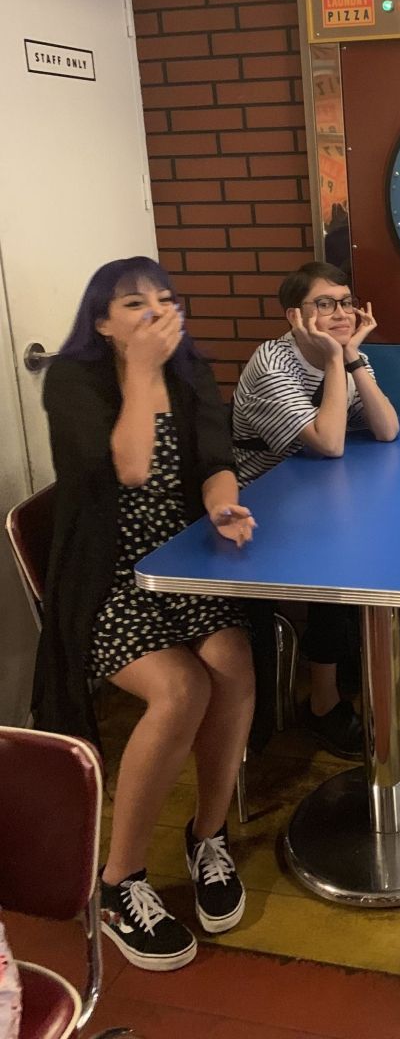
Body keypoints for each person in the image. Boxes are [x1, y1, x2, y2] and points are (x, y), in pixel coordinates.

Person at [34, 256, 256, 972]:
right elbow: (127, 468)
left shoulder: (192, 371)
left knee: (232, 663)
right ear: (101, 323)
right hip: (109, 584)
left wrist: (222, 504)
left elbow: (216, 458)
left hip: (186, 565)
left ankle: (207, 836)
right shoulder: (74, 382)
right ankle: (118, 879)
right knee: (180, 689)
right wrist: (139, 372)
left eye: (165, 300)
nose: (156, 314)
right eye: (135, 305)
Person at [231, 261, 399, 758]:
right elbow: (329, 443)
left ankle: (344, 673)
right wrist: (335, 360)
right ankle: (323, 702)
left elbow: (386, 428)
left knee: (359, 540)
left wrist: (353, 357)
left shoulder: (341, 355)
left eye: (345, 301)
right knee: (339, 556)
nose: (341, 312)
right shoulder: (273, 365)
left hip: (313, 491)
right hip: (258, 506)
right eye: (324, 304)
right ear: (294, 316)